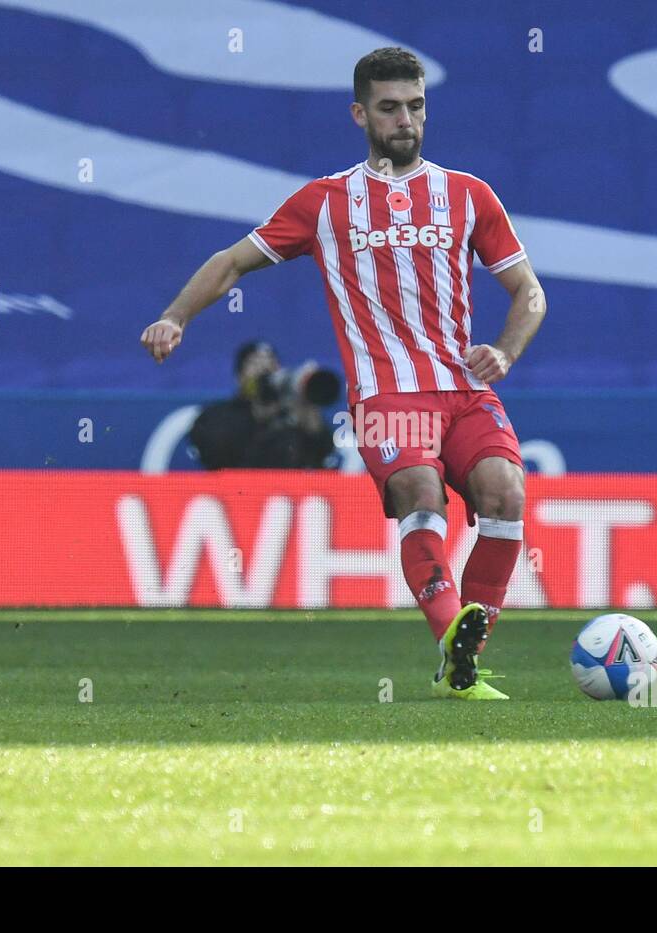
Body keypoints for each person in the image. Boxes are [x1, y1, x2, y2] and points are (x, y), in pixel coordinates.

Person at [141, 47, 547, 700]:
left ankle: (464, 657)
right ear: (360, 113)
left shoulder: (469, 196)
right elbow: (232, 261)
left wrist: (505, 351)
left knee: (506, 494)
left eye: (416, 106)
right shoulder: (326, 203)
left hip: (463, 393)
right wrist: (175, 316)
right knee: (420, 490)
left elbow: (529, 293)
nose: (405, 120)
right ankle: (451, 631)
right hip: (388, 396)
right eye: (389, 108)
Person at [188, 340, 335, 470]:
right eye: (255, 363)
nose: (265, 369)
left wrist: (309, 416)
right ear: (239, 376)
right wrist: (259, 417)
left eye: (272, 363)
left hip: (289, 496)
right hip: (235, 496)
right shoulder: (217, 416)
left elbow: (324, 458)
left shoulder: (291, 413)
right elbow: (216, 455)